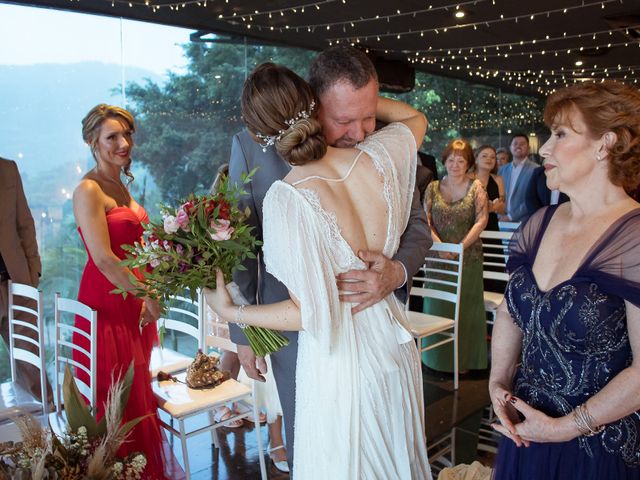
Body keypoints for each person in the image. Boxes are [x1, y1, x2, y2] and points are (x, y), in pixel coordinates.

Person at [207, 62, 432, 479]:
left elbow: (417, 226)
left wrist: (229, 313)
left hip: (340, 340)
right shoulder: (379, 158)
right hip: (336, 341)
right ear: (314, 106)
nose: (360, 131)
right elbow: (241, 246)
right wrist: (243, 337)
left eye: (367, 116)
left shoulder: (297, 191)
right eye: (345, 118)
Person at [489, 80, 640, 479]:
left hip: (594, 452)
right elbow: (509, 309)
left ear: (605, 143)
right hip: (525, 436)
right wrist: (497, 381)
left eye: (560, 134)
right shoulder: (538, 224)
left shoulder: (635, 237)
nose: (544, 148)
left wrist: (563, 428)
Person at [72, 104, 182, 479]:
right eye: (112, 137)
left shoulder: (121, 184)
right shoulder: (88, 189)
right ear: (92, 141)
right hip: (109, 303)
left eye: (127, 135)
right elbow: (103, 258)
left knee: (135, 393)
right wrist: (146, 294)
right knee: (115, 396)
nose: (124, 143)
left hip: (133, 302)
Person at [422, 139, 489, 373]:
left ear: (468, 163)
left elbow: (482, 220)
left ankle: (465, 362)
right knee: (437, 305)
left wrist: (459, 247)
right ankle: (434, 359)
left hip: (468, 257)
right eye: (451, 159)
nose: (455, 164)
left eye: (460, 160)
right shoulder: (432, 187)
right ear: (444, 162)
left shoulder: (476, 187)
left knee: (466, 308)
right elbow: (425, 220)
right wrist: (441, 247)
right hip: (438, 258)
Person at [0, 157, 50, 402]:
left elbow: (25, 224)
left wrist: (33, 271)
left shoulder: (7, 169)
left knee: (33, 369)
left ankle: (46, 434)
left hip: (17, 283)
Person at [473, 145, 507, 294]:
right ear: (476, 158)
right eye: (485, 156)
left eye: (493, 157)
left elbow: (503, 208)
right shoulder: (468, 178)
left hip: (492, 227)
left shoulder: (498, 179)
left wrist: (491, 207)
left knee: (494, 268)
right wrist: (486, 206)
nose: (489, 159)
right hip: (472, 227)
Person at [499, 134, 538, 223]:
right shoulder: (502, 170)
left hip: (525, 222)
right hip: (502, 221)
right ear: (510, 147)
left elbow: (533, 198)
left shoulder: (536, 170)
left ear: (529, 148)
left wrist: (510, 217)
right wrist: (499, 215)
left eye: (522, 144)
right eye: (515, 143)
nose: (518, 146)